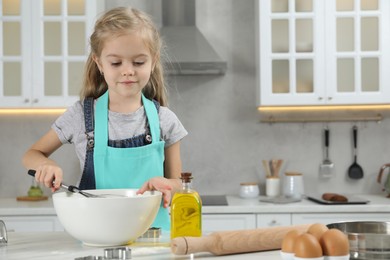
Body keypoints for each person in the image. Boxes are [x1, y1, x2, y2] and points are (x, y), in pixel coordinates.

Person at [22, 6, 187, 231]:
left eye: (138, 62)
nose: (128, 70)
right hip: (97, 236)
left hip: (155, 238)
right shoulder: (80, 116)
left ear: (153, 61)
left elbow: (179, 184)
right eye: (116, 63)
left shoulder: (165, 120)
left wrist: (169, 184)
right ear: (99, 63)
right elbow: (32, 154)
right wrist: (46, 164)